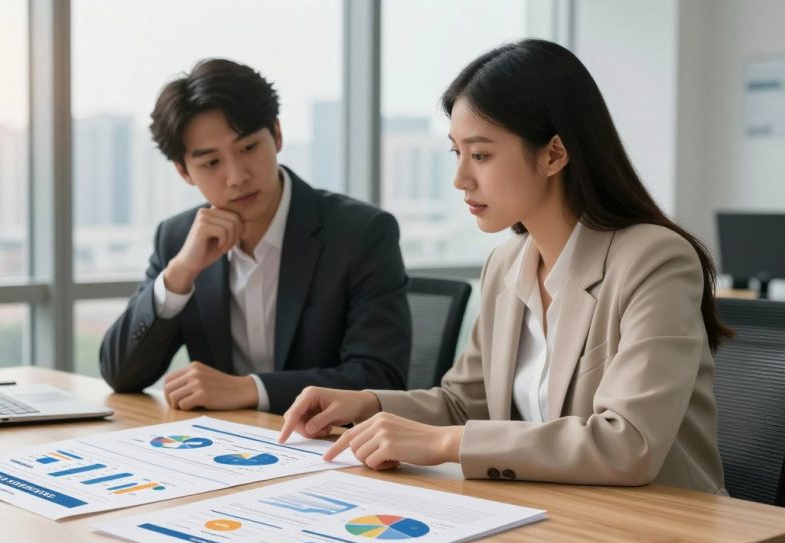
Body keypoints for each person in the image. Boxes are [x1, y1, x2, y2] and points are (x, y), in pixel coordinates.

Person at [278, 39, 730, 494]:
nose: (460, 179)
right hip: (562, 521)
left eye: (480, 155)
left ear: (554, 154)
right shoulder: (506, 264)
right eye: (457, 153)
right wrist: (364, 404)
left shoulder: (655, 260)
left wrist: (442, 443)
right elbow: (464, 403)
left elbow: (626, 443)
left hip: (669, 535)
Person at [100, 58, 411, 415]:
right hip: (225, 451)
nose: (236, 177)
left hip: (331, 450)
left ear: (277, 135)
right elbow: (121, 375)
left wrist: (250, 389)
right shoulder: (178, 239)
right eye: (211, 163)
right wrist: (180, 275)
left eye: (248, 148)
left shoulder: (360, 233)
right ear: (185, 172)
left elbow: (382, 377)